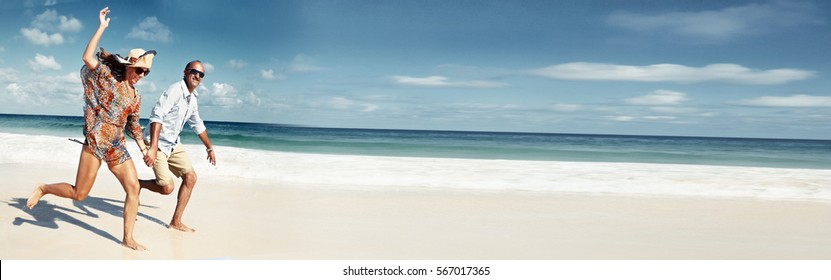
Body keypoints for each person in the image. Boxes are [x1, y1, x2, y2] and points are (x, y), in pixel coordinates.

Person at [26, 7, 155, 251]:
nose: (141, 75)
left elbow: (134, 125)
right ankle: (43, 188)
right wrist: (102, 27)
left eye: (145, 72)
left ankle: (128, 238)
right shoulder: (108, 77)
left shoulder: (136, 96)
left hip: (117, 145)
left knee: (133, 188)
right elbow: (87, 58)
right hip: (96, 140)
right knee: (79, 194)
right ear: (129, 65)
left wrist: (144, 148)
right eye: (139, 69)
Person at [139, 60, 216, 232]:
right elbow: (157, 115)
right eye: (194, 72)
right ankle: (139, 185)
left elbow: (198, 125)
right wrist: (152, 147)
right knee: (167, 188)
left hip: (173, 144)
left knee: (191, 177)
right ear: (185, 72)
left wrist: (209, 148)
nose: (197, 76)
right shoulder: (175, 90)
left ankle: (176, 221)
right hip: (157, 142)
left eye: (201, 74)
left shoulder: (192, 100)